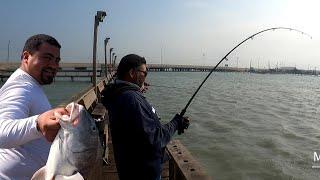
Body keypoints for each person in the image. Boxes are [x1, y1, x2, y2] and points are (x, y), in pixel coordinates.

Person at [102, 54, 190, 180]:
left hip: (130, 168)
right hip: (142, 172)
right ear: (132, 73)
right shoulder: (131, 99)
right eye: (144, 73)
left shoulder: (121, 94)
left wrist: (136, 91)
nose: (145, 77)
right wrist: (176, 123)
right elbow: (155, 139)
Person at [0, 34, 68, 179]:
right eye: (47, 58)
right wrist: (39, 123)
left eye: (56, 60)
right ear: (26, 57)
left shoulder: (31, 85)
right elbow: (1, 131)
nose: (54, 65)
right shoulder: (20, 86)